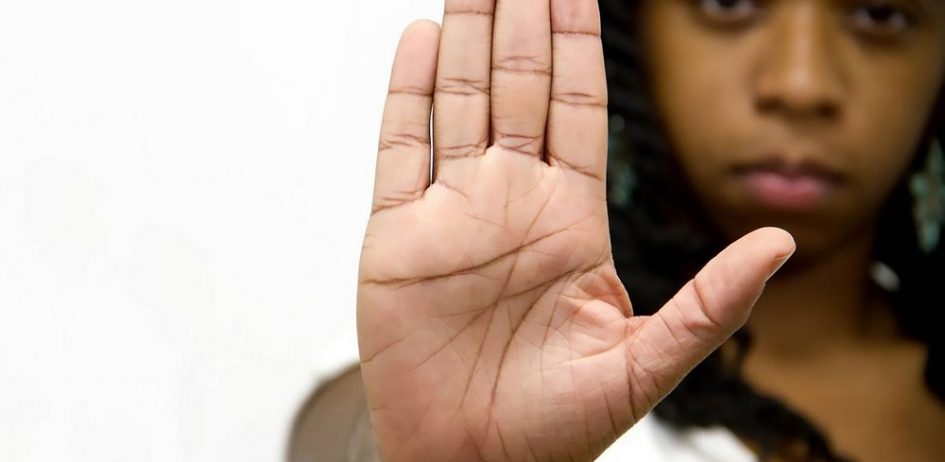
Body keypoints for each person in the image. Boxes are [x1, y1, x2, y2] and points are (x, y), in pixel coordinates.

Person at [292, 1, 945, 461]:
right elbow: (343, 437)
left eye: (879, 14)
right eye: (728, 2)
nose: (801, 84)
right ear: (637, 33)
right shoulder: (506, 339)